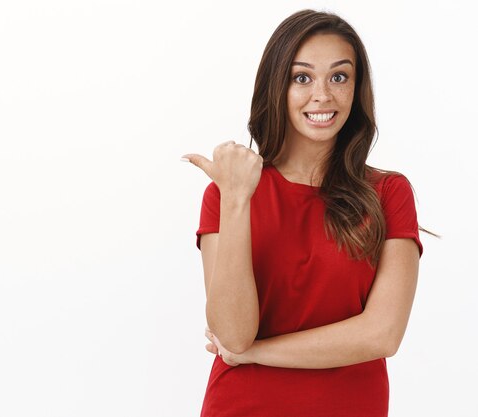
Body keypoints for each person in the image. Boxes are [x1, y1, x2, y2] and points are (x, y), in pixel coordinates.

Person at [180, 9, 428, 417]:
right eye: (302, 77)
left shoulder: (387, 193)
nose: (323, 95)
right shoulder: (226, 194)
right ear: (277, 86)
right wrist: (238, 198)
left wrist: (255, 352)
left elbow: (382, 335)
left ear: (356, 88)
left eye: (339, 76)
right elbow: (233, 333)